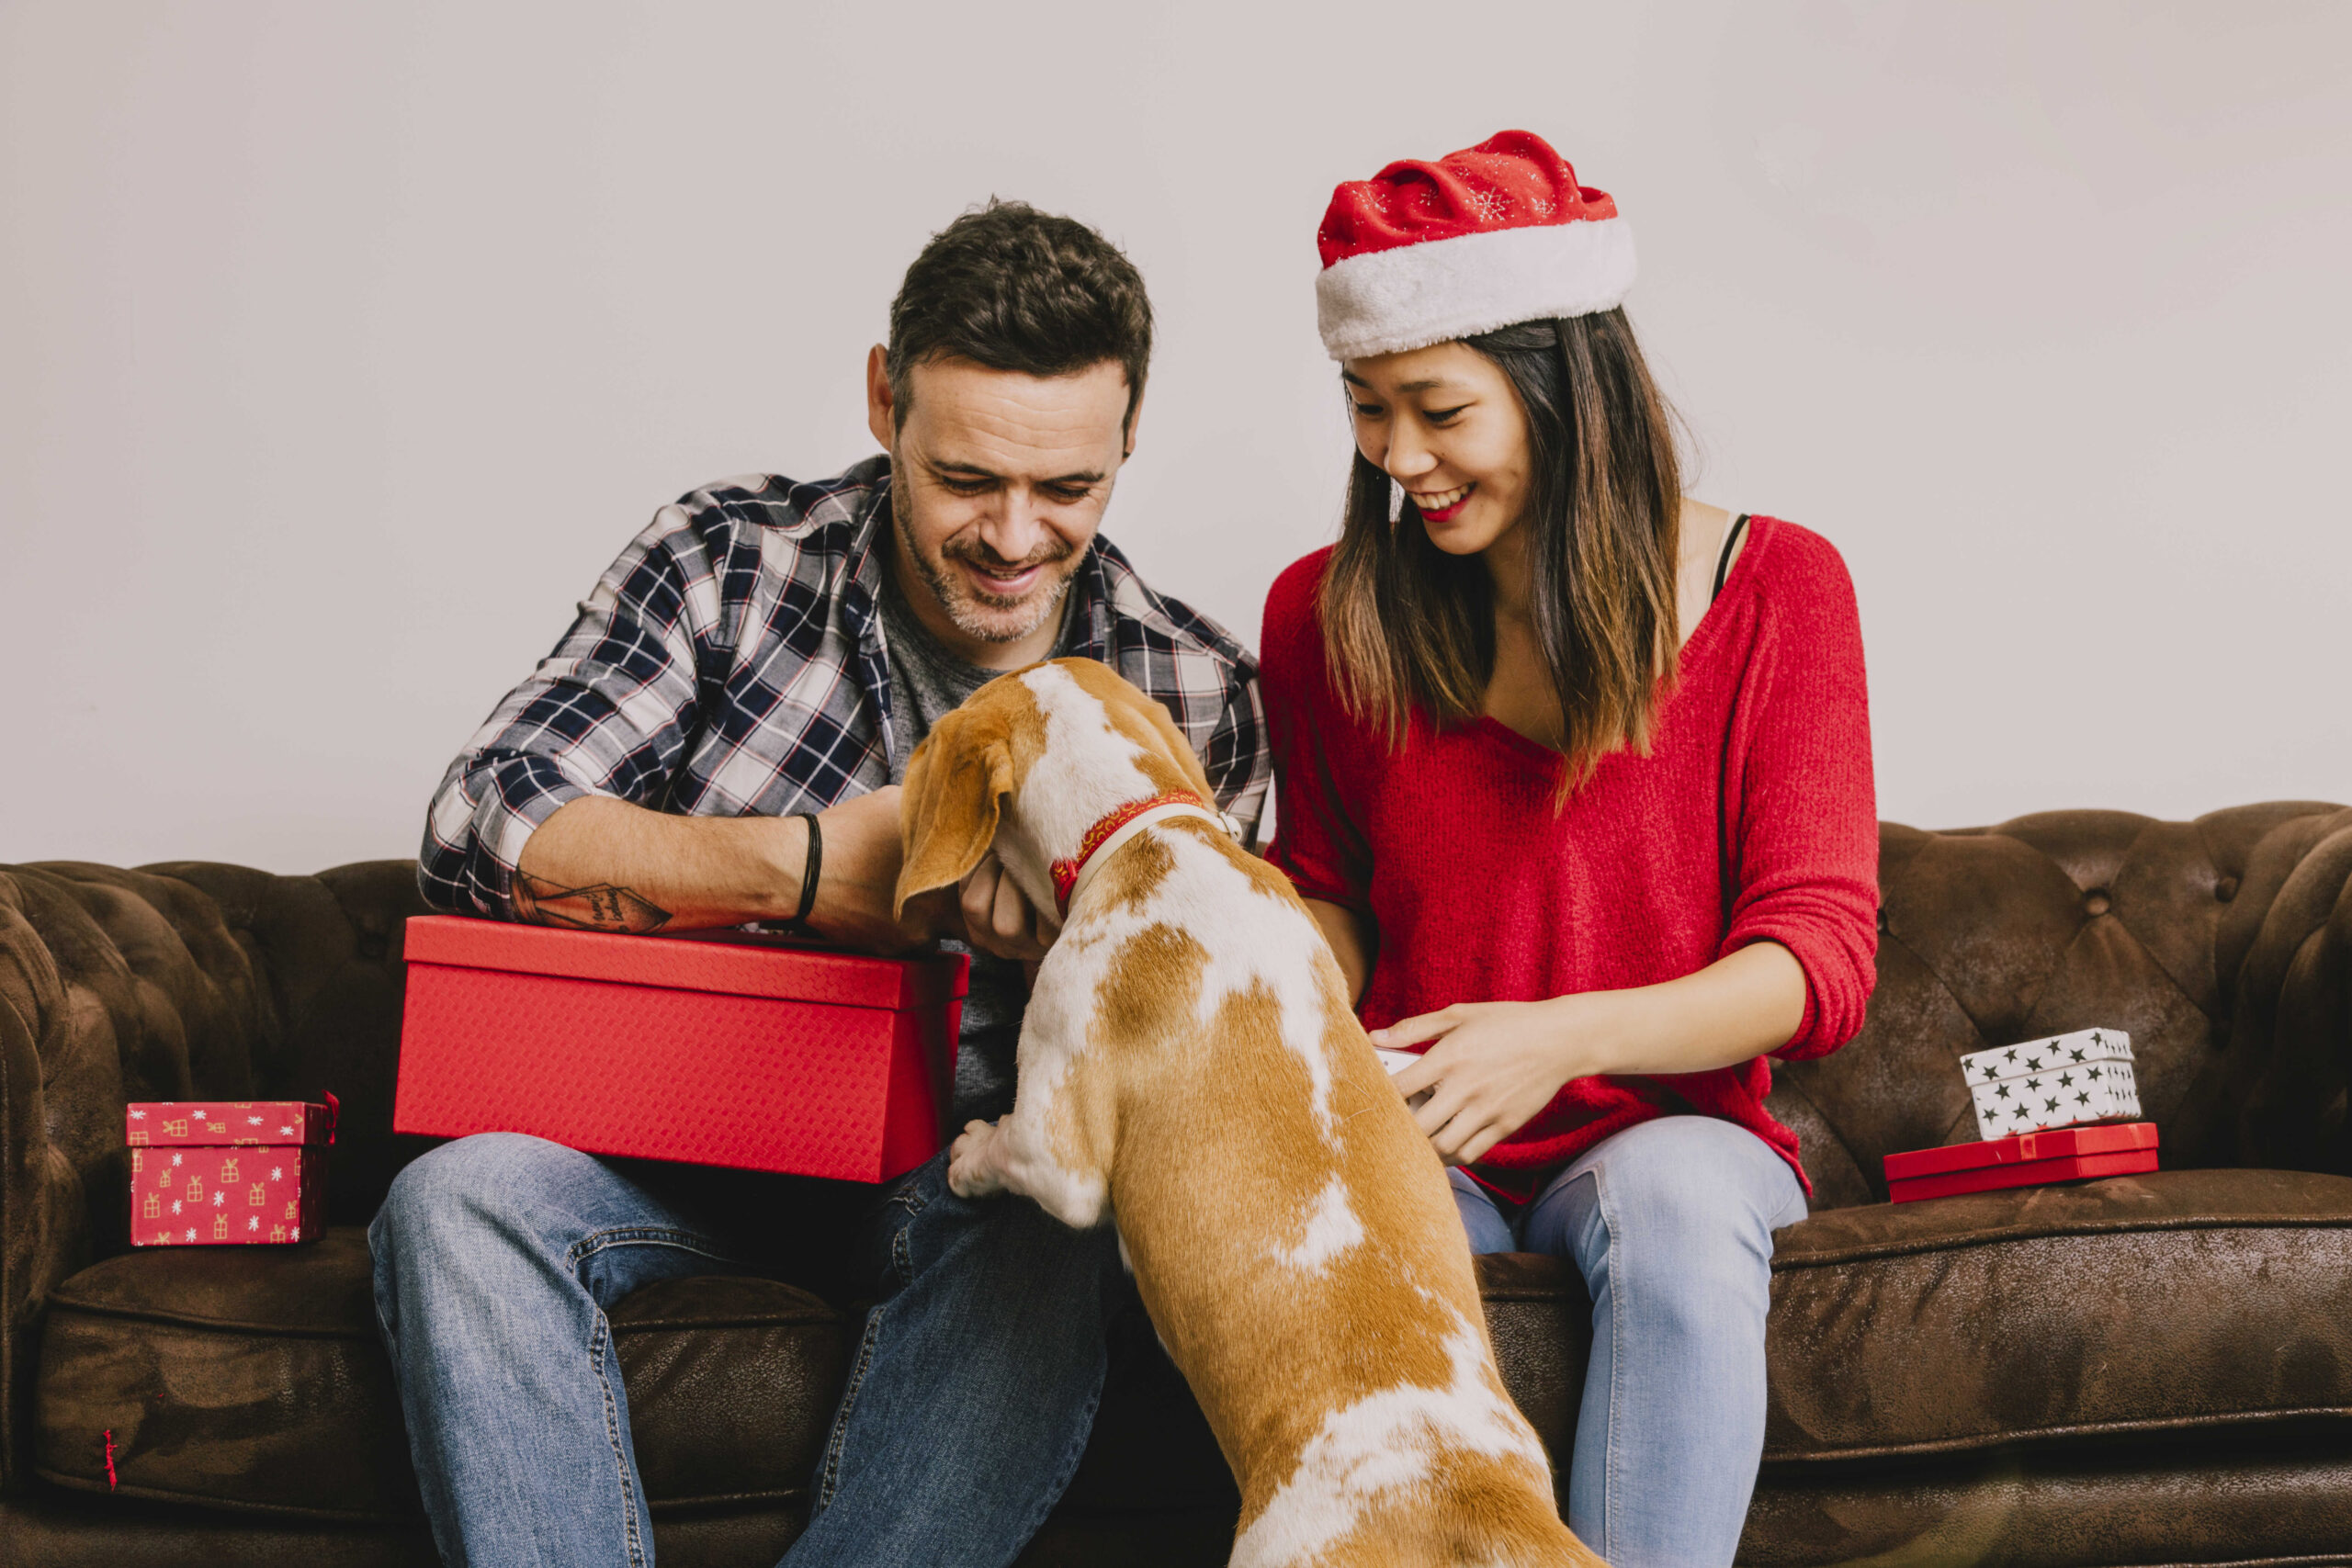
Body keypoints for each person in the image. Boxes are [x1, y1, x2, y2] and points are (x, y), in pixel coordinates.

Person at [371, 198, 1270, 1568]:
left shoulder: (1195, 692)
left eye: (1069, 490)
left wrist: (1086, 957)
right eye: (967, 478)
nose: (1015, 537)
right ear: (881, 403)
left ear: (1127, 442)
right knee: (457, 1198)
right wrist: (807, 872)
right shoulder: (728, 565)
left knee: (1059, 1229)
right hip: (674, 1139)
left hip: (972, 1180)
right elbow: (479, 821)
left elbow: (1225, 1039)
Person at [1260, 130, 1879, 1568]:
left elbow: (1820, 963)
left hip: (1676, 1134)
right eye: (1366, 409)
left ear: (1563, 393)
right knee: (1355, 1224)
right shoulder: (1323, 612)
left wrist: (1552, 1039)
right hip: (1430, 1128)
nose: (1397, 457)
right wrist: (1272, 966)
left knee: (1665, 1197)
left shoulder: (1779, 587)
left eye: (1439, 411)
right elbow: (1337, 897)